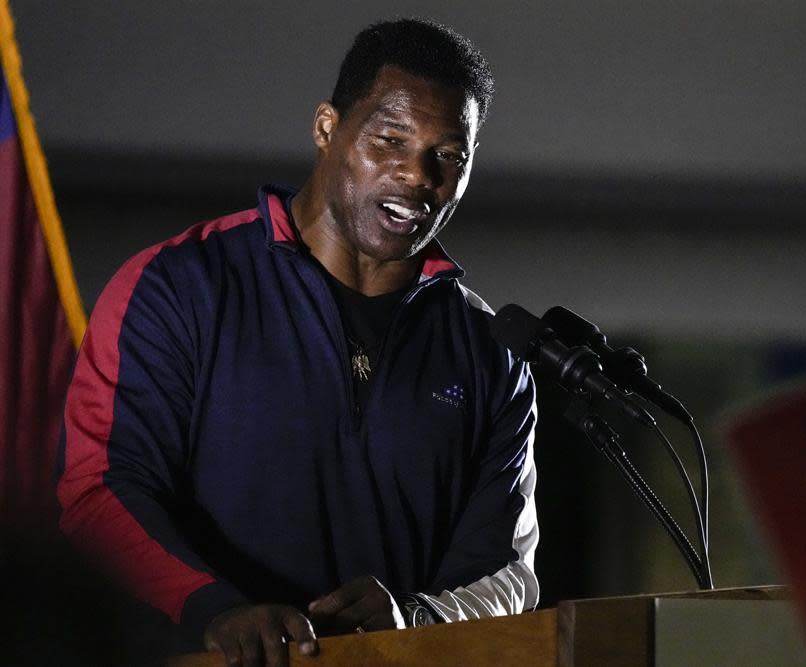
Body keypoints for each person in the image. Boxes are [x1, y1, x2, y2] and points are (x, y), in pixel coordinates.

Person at [57, 18, 539, 666]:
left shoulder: (491, 353)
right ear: (325, 128)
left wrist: (415, 618)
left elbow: (506, 573)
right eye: (390, 139)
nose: (418, 175)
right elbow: (100, 490)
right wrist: (217, 610)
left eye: (449, 155)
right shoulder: (178, 287)